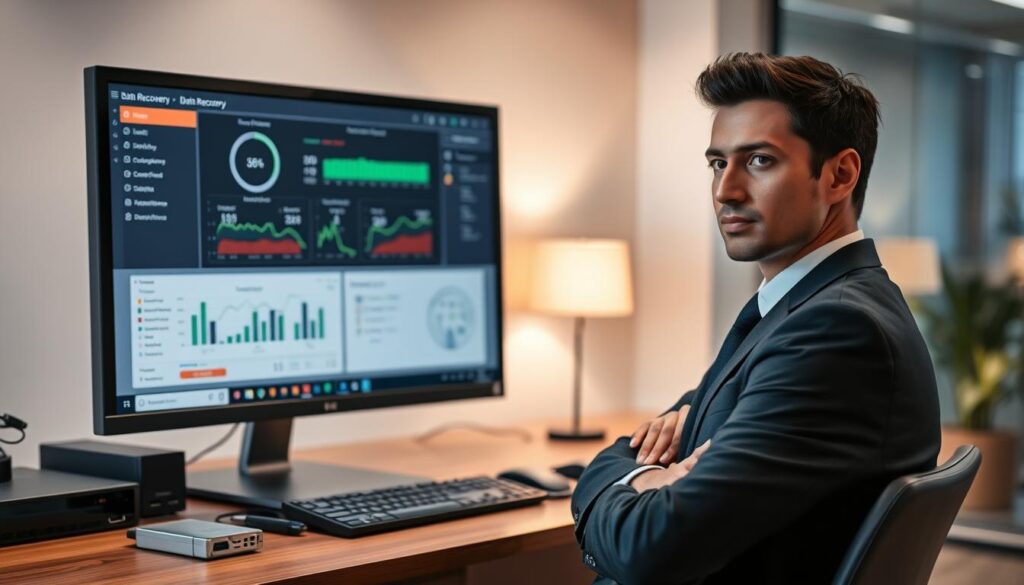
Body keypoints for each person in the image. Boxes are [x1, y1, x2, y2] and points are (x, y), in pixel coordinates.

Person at [570, 53, 941, 584]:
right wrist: (653, 469)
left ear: (840, 175)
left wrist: (609, 480)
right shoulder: (805, 305)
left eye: (760, 161)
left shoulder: (835, 333)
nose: (726, 191)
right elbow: (671, 428)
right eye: (718, 163)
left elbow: (649, 549)